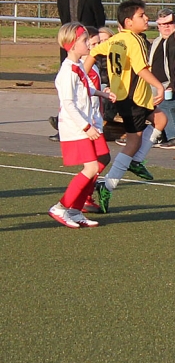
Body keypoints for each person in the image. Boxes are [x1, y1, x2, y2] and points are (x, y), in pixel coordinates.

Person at [84, 0, 167, 212]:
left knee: (160, 119)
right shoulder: (135, 40)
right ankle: (109, 185)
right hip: (133, 99)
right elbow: (141, 70)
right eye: (142, 15)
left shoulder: (117, 38)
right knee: (133, 143)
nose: (147, 18)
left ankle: (135, 162)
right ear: (129, 21)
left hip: (128, 97)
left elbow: (93, 53)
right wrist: (160, 86)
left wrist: (82, 76)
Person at [49, 23, 115, 228]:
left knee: (99, 160)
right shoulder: (67, 71)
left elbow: (87, 88)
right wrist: (86, 127)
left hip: (85, 124)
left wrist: (103, 93)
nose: (89, 44)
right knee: (92, 167)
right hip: (76, 127)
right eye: (85, 41)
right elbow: (68, 103)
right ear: (71, 45)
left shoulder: (78, 67)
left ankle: (75, 210)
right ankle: (61, 207)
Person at [50, 0, 107, 137]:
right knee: (69, 87)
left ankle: (90, 125)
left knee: (85, 86)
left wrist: (92, 42)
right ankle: (63, 127)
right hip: (70, 47)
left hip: (87, 46)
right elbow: (65, 23)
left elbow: (100, 20)